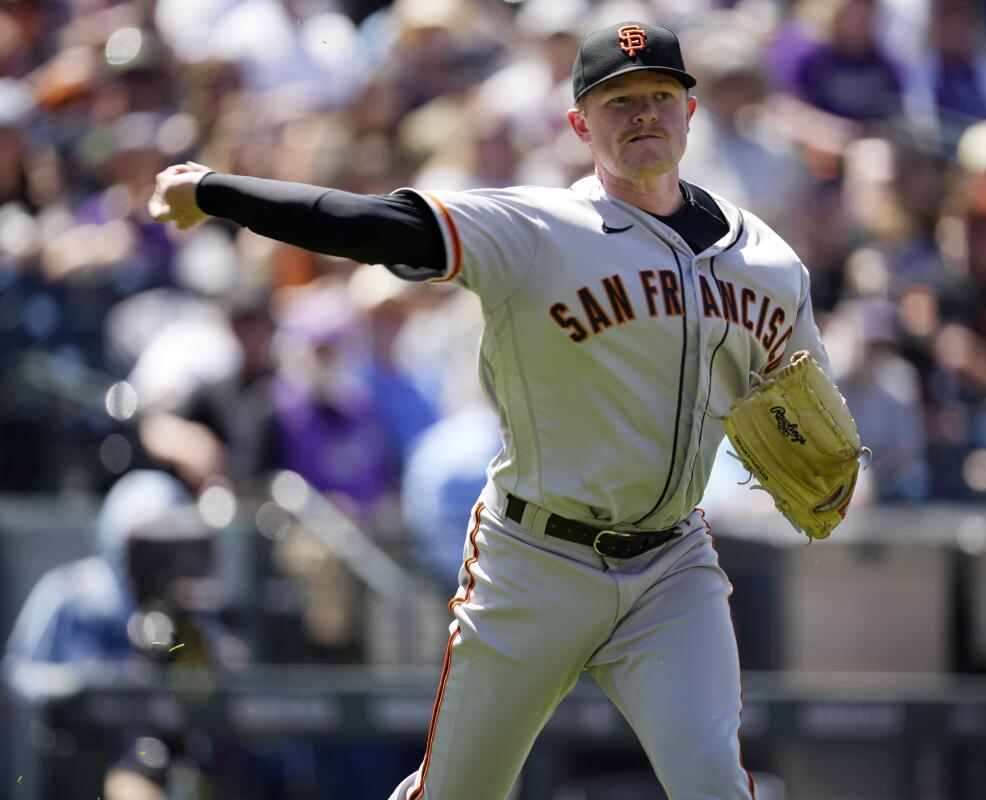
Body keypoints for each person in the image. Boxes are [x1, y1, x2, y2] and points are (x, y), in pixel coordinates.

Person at [149, 21, 831, 799]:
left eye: (659, 96)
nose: (642, 113)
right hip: (537, 561)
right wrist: (217, 191)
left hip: (672, 568)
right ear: (579, 124)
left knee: (715, 784)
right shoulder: (534, 230)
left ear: (690, 111)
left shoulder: (768, 263)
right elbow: (376, 225)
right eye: (618, 101)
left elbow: (806, 410)